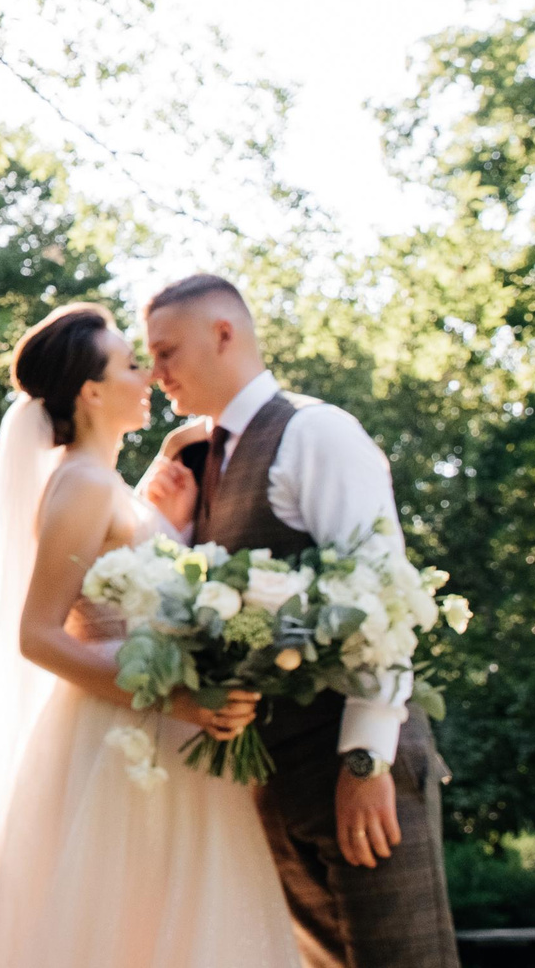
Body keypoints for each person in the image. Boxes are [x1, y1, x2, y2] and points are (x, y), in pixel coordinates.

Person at [0, 302, 301, 968]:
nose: (151, 376)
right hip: (121, 739)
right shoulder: (81, 484)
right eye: (133, 364)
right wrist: (175, 700)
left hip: (162, 738)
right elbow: (39, 634)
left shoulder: (108, 487)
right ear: (93, 390)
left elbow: (122, 589)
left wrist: (169, 525)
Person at [141, 275, 460, 968]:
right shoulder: (202, 458)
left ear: (224, 333)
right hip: (273, 781)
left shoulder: (315, 432)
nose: (155, 372)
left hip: (353, 767)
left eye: (167, 351)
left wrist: (366, 758)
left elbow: (381, 594)